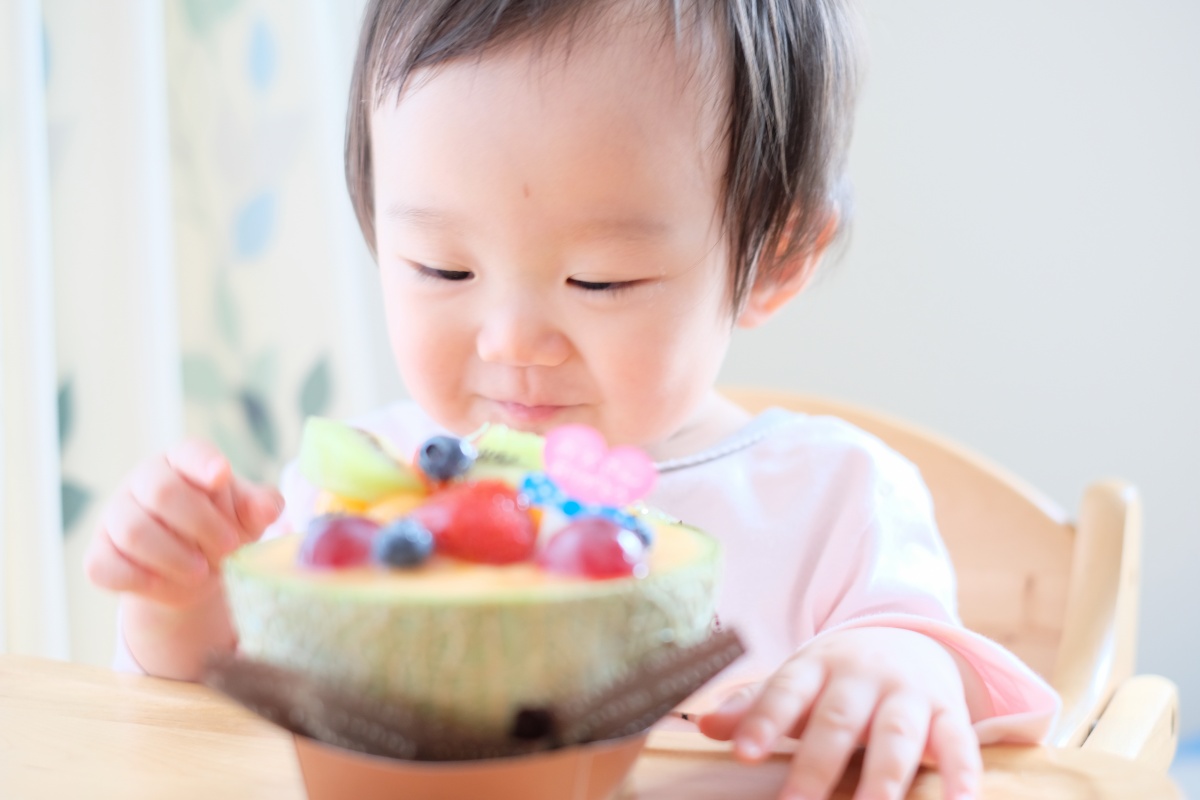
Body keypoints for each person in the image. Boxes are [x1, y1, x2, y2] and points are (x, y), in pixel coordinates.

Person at [85, 1, 1060, 798]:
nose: (510, 338)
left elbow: (949, 682)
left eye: (599, 280)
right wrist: (182, 599)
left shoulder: (838, 497)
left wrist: (904, 665)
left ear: (776, 256)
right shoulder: (362, 491)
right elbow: (211, 721)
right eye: (441, 264)